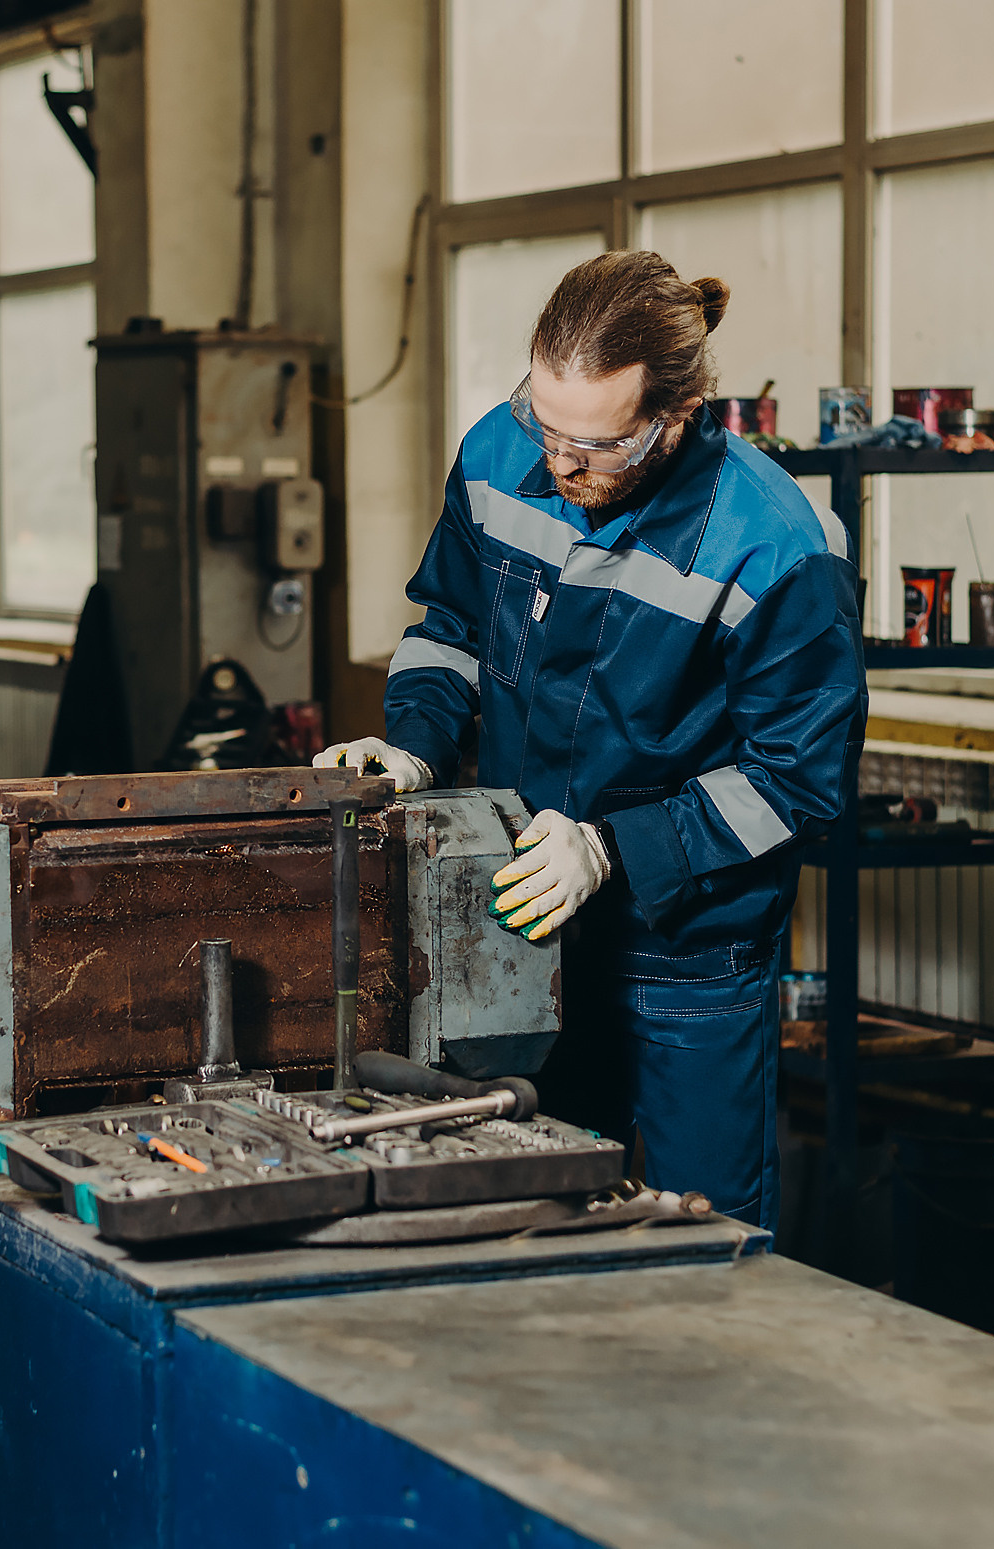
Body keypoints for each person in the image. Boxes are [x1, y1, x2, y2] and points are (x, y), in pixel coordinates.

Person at [315, 250, 863, 1228]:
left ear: (679, 413)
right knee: (525, 1206)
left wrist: (615, 847)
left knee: (704, 1231)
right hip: (525, 924)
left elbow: (797, 782)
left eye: (599, 447)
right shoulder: (497, 455)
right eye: (546, 423)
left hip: (687, 954)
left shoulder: (776, 545)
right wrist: (413, 748)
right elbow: (448, 631)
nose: (563, 465)